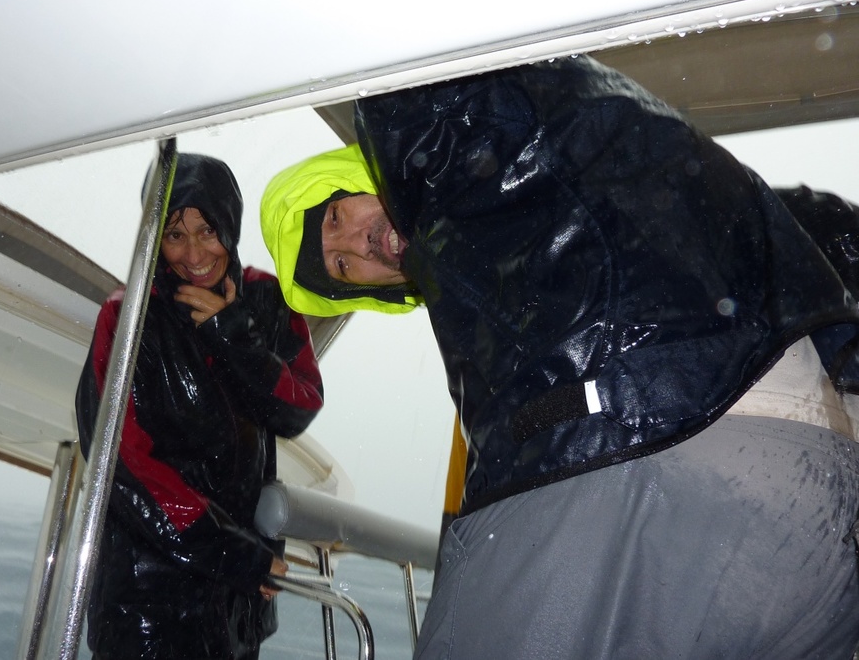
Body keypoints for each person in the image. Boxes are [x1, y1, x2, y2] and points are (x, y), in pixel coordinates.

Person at [259, 55, 859, 658]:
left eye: (335, 215)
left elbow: (422, 70)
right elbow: (821, 229)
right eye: (342, 267)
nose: (358, 243)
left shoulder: (455, 148)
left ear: (367, 170)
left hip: (632, 442)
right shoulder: (493, 293)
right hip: (824, 509)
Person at [75, 153, 324, 660]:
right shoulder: (129, 316)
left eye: (207, 230)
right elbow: (121, 462)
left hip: (236, 609)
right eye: (174, 234)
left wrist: (232, 335)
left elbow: (296, 410)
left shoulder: (267, 301)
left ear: (229, 222)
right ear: (154, 239)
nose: (193, 254)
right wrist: (232, 551)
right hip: (148, 607)